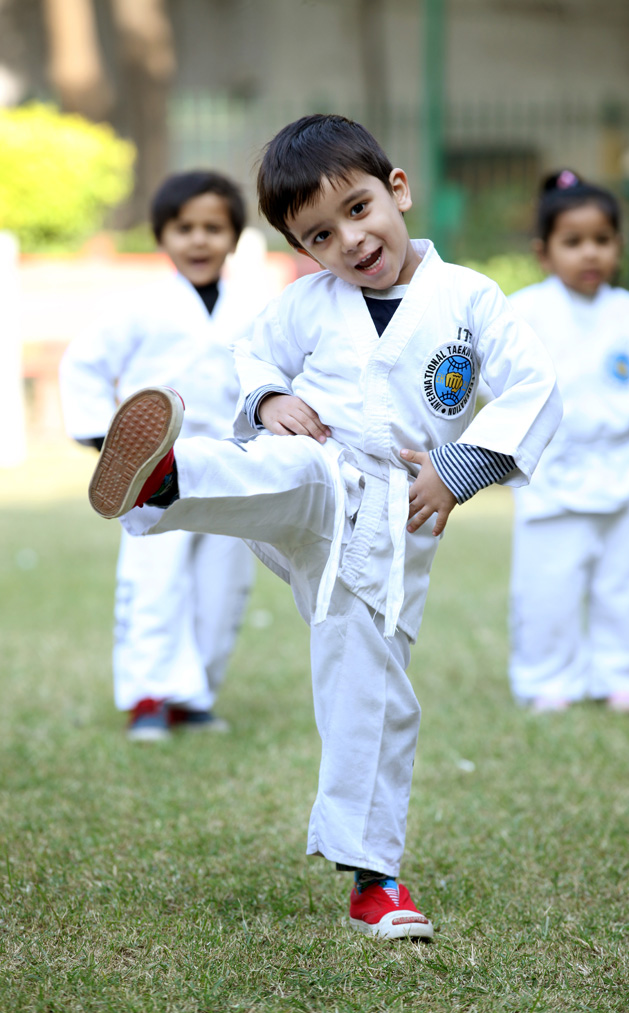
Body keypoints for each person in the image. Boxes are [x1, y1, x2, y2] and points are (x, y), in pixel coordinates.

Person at [86, 115, 562, 939]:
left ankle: (374, 876)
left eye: (358, 209)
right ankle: (165, 478)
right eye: (319, 235)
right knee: (285, 465)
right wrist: (269, 398)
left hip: (396, 512)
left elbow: (535, 385)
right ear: (300, 249)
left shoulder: (469, 298)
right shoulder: (308, 303)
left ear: (396, 190)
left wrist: (460, 469)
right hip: (322, 466)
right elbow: (248, 355)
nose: (349, 241)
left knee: (368, 685)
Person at [60, 170, 268, 740]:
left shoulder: (257, 312)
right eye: (184, 228)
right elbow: (84, 364)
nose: (199, 240)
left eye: (213, 228)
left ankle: (194, 697)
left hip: (230, 465)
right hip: (155, 469)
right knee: (155, 580)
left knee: (223, 585)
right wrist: (108, 444)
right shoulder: (141, 307)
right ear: (162, 236)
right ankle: (148, 696)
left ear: (234, 237)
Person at [507, 170, 629, 714]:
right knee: (547, 586)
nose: (590, 253)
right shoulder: (524, 311)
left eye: (602, 240)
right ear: (544, 252)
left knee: (626, 585)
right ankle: (547, 679)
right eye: (573, 241)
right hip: (550, 472)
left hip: (620, 469)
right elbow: (489, 365)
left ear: (619, 246)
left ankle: (625, 677)